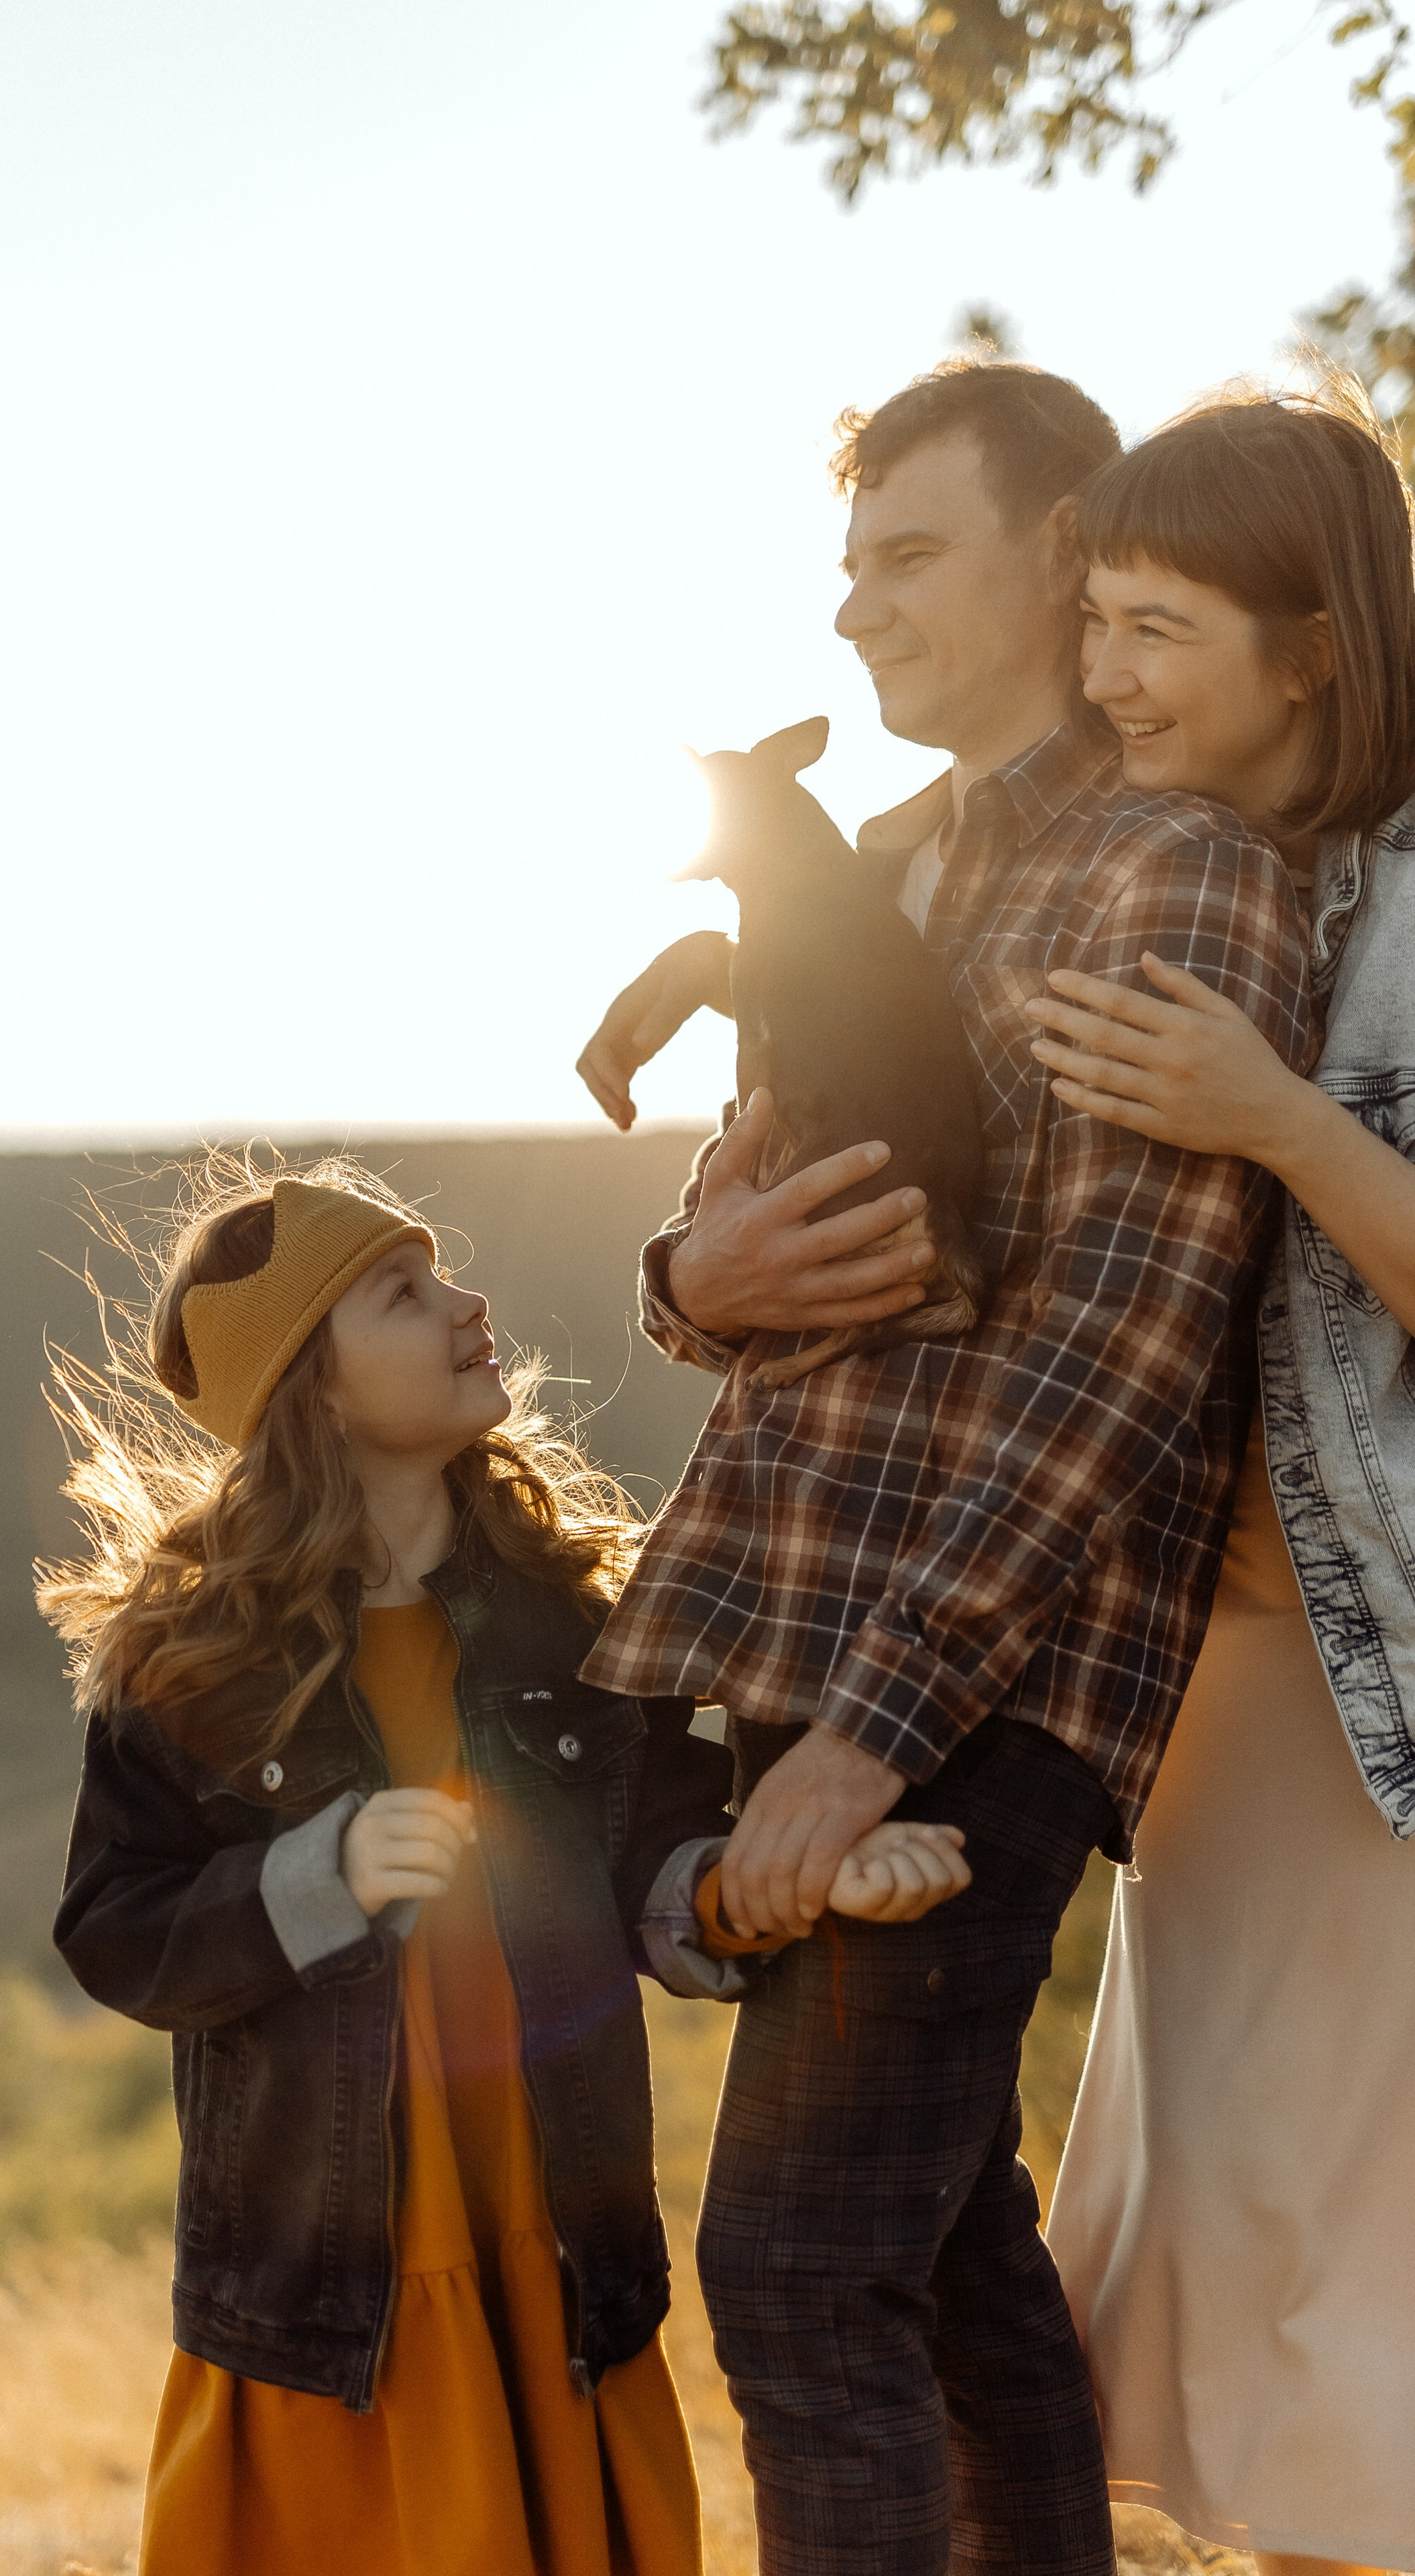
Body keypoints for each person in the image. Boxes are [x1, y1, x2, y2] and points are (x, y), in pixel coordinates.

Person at [574, 358, 1312, 2576]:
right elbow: (733, 1251)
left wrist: (876, 1739)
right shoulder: (869, 870)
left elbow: (1129, 1352)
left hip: (970, 1695)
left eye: (910, 558)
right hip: (803, 1643)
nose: (856, 615)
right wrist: (694, 1275)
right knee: (953, 2273)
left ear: (1070, 551)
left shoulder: (1174, 872)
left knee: (801, 2281)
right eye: (849, 564)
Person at [38, 1157, 971, 2576]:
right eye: (402, 1297)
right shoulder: (189, 1667)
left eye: (442, 1271)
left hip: (552, 2254)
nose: (466, 1303)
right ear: (317, 1391)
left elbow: (655, 1869)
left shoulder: (574, 1620)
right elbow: (116, 1934)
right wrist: (318, 1871)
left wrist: (792, 1879)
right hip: (335, 2299)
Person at [1022, 387, 1415, 2576]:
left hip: (1395, 1706)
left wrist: (1277, 1116)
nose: (1106, 674)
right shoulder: (1185, 875)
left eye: (1155, 622)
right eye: (1093, 616)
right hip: (1225, 1690)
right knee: (1270, 2289)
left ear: (1317, 646)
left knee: (1370, 2312)